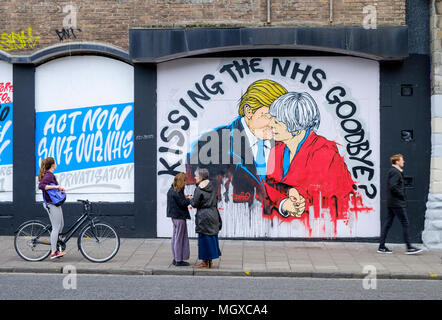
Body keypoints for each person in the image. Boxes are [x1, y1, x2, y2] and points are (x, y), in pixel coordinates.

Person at [186, 79, 287, 212]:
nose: (276, 124)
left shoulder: (286, 144)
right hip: (233, 222)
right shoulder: (209, 145)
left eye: (280, 118)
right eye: (269, 116)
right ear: (249, 111)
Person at [265, 92, 356, 223]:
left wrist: (298, 201)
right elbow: (270, 183)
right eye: (272, 119)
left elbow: (331, 195)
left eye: (277, 122)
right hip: (286, 224)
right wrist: (285, 201)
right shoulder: (277, 149)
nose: (271, 125)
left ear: (296, 126)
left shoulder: (324, 151)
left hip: (321, 224)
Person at [378, 154, 423, 254]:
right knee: (405, 223)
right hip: (397, 203)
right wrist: (401, 195)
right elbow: (393, 186)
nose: (404, 161)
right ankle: (409, 247)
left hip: (393, 202)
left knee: (388, 224)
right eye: (402, 160)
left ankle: (381, 247)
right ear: (397, 162)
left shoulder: (395, 171)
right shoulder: (395, 172)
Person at [188, 168, 222, 269]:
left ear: (201, 177)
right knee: (211, 237)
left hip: (204, 216)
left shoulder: (199, 189)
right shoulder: (211, 186)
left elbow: (194, 204)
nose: (195, 177)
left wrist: (190, 198)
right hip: (213, 214)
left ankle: (204, 262)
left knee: (203, 239)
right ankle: (209, 262)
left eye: (196, 176)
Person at [37, 157, 66, 260]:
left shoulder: (51, 175)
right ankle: (54, 252)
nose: (56, 164)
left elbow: (53, 188)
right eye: (55, 162)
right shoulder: (48, 175)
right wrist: (55, 187)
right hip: (51, 204)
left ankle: (58, 245)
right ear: (52, 165)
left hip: (55, 203)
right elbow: (41, 186)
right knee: (56, 227)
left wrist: (59, 189)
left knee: (61, 225)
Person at [167, 172, 191, 267]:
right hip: (179, 217)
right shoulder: (178, 191)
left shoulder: (172, 189)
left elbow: (177, 201)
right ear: (182, 181)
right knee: (179, 238)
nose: (186, 182)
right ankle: (178, 260)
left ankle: (175, 257)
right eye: (185, 180)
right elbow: (182, 203)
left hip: (174, 216)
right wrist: (189, 199)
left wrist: (184, 197)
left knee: (175, 237)